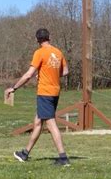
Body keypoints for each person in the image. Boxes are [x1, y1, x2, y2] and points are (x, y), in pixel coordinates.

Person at [5, 28, 70, 166]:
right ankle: (25, 153)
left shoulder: (39, 53)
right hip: (55, 92)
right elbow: (65, 71)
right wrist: (51, 74)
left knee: (51, 124)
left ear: (37, 40)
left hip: (45, 92)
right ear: (49, 37)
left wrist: (14, 87)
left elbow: (29, 75)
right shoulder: (58, 52)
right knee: (38, 122)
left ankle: (63, 158)